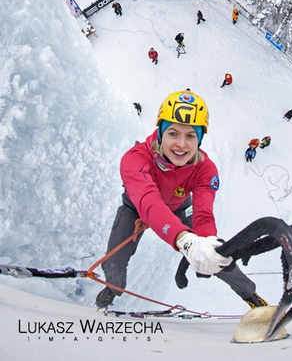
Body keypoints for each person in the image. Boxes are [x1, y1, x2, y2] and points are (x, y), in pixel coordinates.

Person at [95, 90, 267, 310]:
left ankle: (250, 295)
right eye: (173, 133)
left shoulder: (205, 169)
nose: (181, 145)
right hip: (136, 209)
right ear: (160, 133)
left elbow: (203, 214)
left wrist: (205, 246)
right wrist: (184, 240)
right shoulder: (135, 158)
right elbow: (148, 202)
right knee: (115, 261)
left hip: (176, 211)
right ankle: (113, 287)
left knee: (216, 254)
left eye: (190, 136)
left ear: (200, 139)